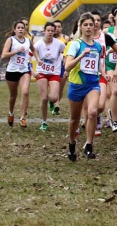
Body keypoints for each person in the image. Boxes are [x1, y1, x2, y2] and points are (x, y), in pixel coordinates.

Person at [64, 13, 104, 160]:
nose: (88, 27)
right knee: (74, 119)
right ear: (80, 27)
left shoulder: (98, 46)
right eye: (85, 25)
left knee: (92, 112)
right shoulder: (75, 44)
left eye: (91, 25)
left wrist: (104, 73)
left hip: (92, 84)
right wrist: (81, 56)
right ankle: (72, 143)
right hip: (77, 85)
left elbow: (98, 64)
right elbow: (67, 66)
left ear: (95, 27)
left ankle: (89, 144)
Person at [1, 20, 34, 127]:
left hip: (24, 70)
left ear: (25, 30)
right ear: (14, 30)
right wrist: (16, 51)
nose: (20, 29)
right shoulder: (10, 40)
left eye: (22, 28)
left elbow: (34, 50)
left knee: (25, 92)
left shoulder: (28, 41)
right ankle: (11, 113)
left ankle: (22, 118)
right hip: (12, 70)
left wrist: (38, 58)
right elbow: (3, 55)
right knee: (13, 96)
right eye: (18, 28)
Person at [33, 22, 66, 130]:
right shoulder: (38, 44)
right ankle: (44, 122)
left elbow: (66, 54)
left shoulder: (59, 44)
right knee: (44, 98)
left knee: (54, 97)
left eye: (52, 31)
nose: (50, 33)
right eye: (48, 30)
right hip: (41, 72)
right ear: (44, 31)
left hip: (54, 73)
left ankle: (52, 103)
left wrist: (65, 66)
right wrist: (32, 71)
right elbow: (28, 56)